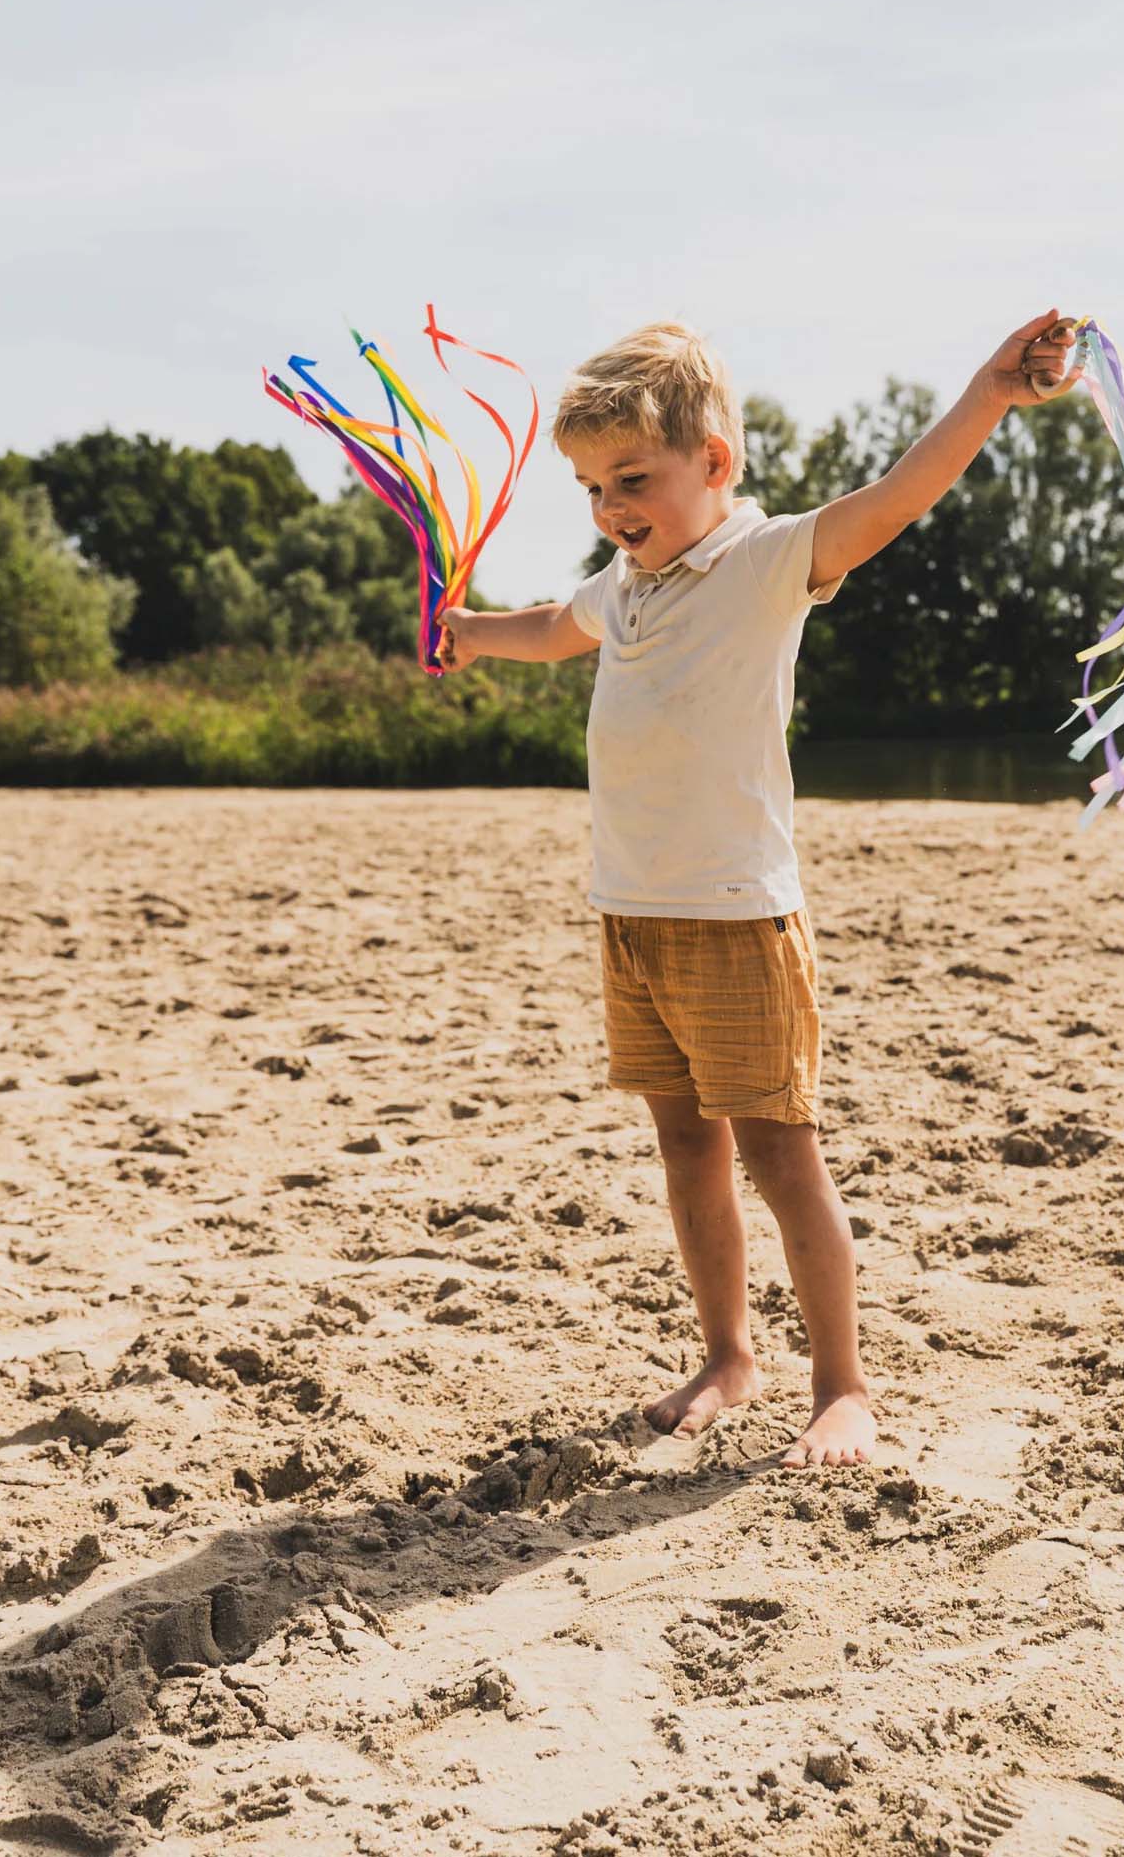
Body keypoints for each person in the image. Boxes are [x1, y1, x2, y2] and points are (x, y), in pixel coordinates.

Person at [436, 311, 1078, 1466]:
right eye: (589, 488)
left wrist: (986, 390)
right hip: (631, 916)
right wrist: (472, 632)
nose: (609, 508)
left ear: (714, 464)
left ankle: (842, 1384)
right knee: (684, 1147)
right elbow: (551, 623)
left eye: (630, 478)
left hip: (735, 918)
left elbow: (894, 497)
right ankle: (728, 1352)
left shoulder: (764, 557)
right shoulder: (624, 587)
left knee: (781, 1156)